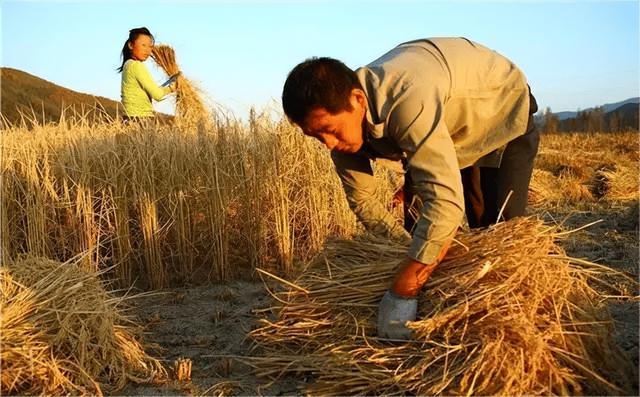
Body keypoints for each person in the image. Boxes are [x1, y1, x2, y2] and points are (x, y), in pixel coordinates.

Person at [281, 37, 539, 340]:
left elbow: (445, 205)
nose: (329, 145)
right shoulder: (343, 129)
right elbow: (362, 200)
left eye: (330, 131)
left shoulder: (406, 99)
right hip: (442, 128)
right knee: (419, 227)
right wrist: (405, 252)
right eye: (316, 137)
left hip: (498, 107)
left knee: (496, 235)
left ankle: (506, 332)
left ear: (358, 100)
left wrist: (403, 290)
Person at [117, 27, 175, 121]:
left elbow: (152, 91)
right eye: (143, 45)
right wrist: (173, 88)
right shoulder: (136, 66)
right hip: (140, 119)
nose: (148, 51)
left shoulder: (128, 65)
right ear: (131, 45)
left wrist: (168, 85)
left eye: (150, 47)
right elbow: (157, 95)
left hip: (130, 118)